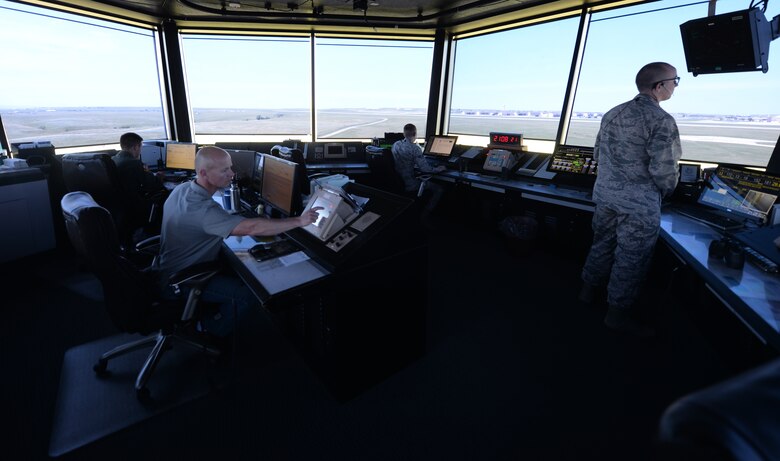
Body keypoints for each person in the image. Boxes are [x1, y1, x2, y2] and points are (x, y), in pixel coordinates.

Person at [155, 146, 321, 340]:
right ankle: (206, 331)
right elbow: (250, 229)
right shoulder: (202, 210)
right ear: (203, 173)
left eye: (230, 168)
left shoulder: (183, 189)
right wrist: (299, 221)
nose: (232, 174)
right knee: (248, 296)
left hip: (166, 268)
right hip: (181, 282)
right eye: (224, 170)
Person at [579, 62, 682, 338]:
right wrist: (668, 192)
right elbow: (664, 169)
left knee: (601, 244)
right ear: (659, 86)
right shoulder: (661, 121)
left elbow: (598, 154)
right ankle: (617, 315)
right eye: (675, 81)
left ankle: (587, 292)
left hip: (605, 196)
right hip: (638, 204)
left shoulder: (613, 113)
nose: (675, 86)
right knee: (631, 258)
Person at [111, 132, 167, 239]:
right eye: (140, 147)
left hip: (120, 208)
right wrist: (159, 177)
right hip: (135, 208)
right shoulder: (133, 163)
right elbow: (152, 185)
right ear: (136, 147)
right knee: (164, 194)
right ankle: (155, 233)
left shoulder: (114, 159)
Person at [391, 123, 447, 222]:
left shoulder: (396, 144)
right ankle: (424, 216)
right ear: (415, 133)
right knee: (439, 189)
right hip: (410, 184)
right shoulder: (415, 148)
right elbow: (426, 169)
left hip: (397, 182)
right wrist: (439, 168)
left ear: (404, 134)